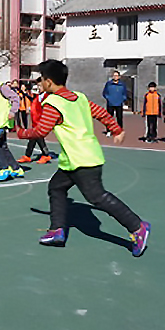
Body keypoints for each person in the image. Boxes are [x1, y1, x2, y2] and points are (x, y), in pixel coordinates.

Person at [16, 60, 151, 257]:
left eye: (42, 80)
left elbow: (41, 130)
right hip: (80, 157)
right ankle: (57, 230)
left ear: (49, 82)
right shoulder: (79, 98)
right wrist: (116, 129)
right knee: (56, 187)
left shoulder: (53, 103)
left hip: (81, 160)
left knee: (97, 197)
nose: (40, 84)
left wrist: (20, 132)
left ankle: (137, 227)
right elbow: (101, 113)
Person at [18, 79, 53, 164]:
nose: (39, 88)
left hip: (41, 121)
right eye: (38, 86)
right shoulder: (38, 96)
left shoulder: (48, 96)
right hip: (35, 121)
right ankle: (28, 155)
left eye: (40, 86)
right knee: (33, 138)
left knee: (38, 138)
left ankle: (45, 154)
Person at [101, 70, 127, 135]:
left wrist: (122, 99)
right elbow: (105, 93)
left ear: (119, 77)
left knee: (119, 118)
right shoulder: (109, 84)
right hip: (110, 103)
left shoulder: (122, 85)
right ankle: (109, 131)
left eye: (117, 75)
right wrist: (108, 98)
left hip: (119, 103)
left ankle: (119, 130)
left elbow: (125, 93)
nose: (115, 77)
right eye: (114, 75)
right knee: (109, 118)